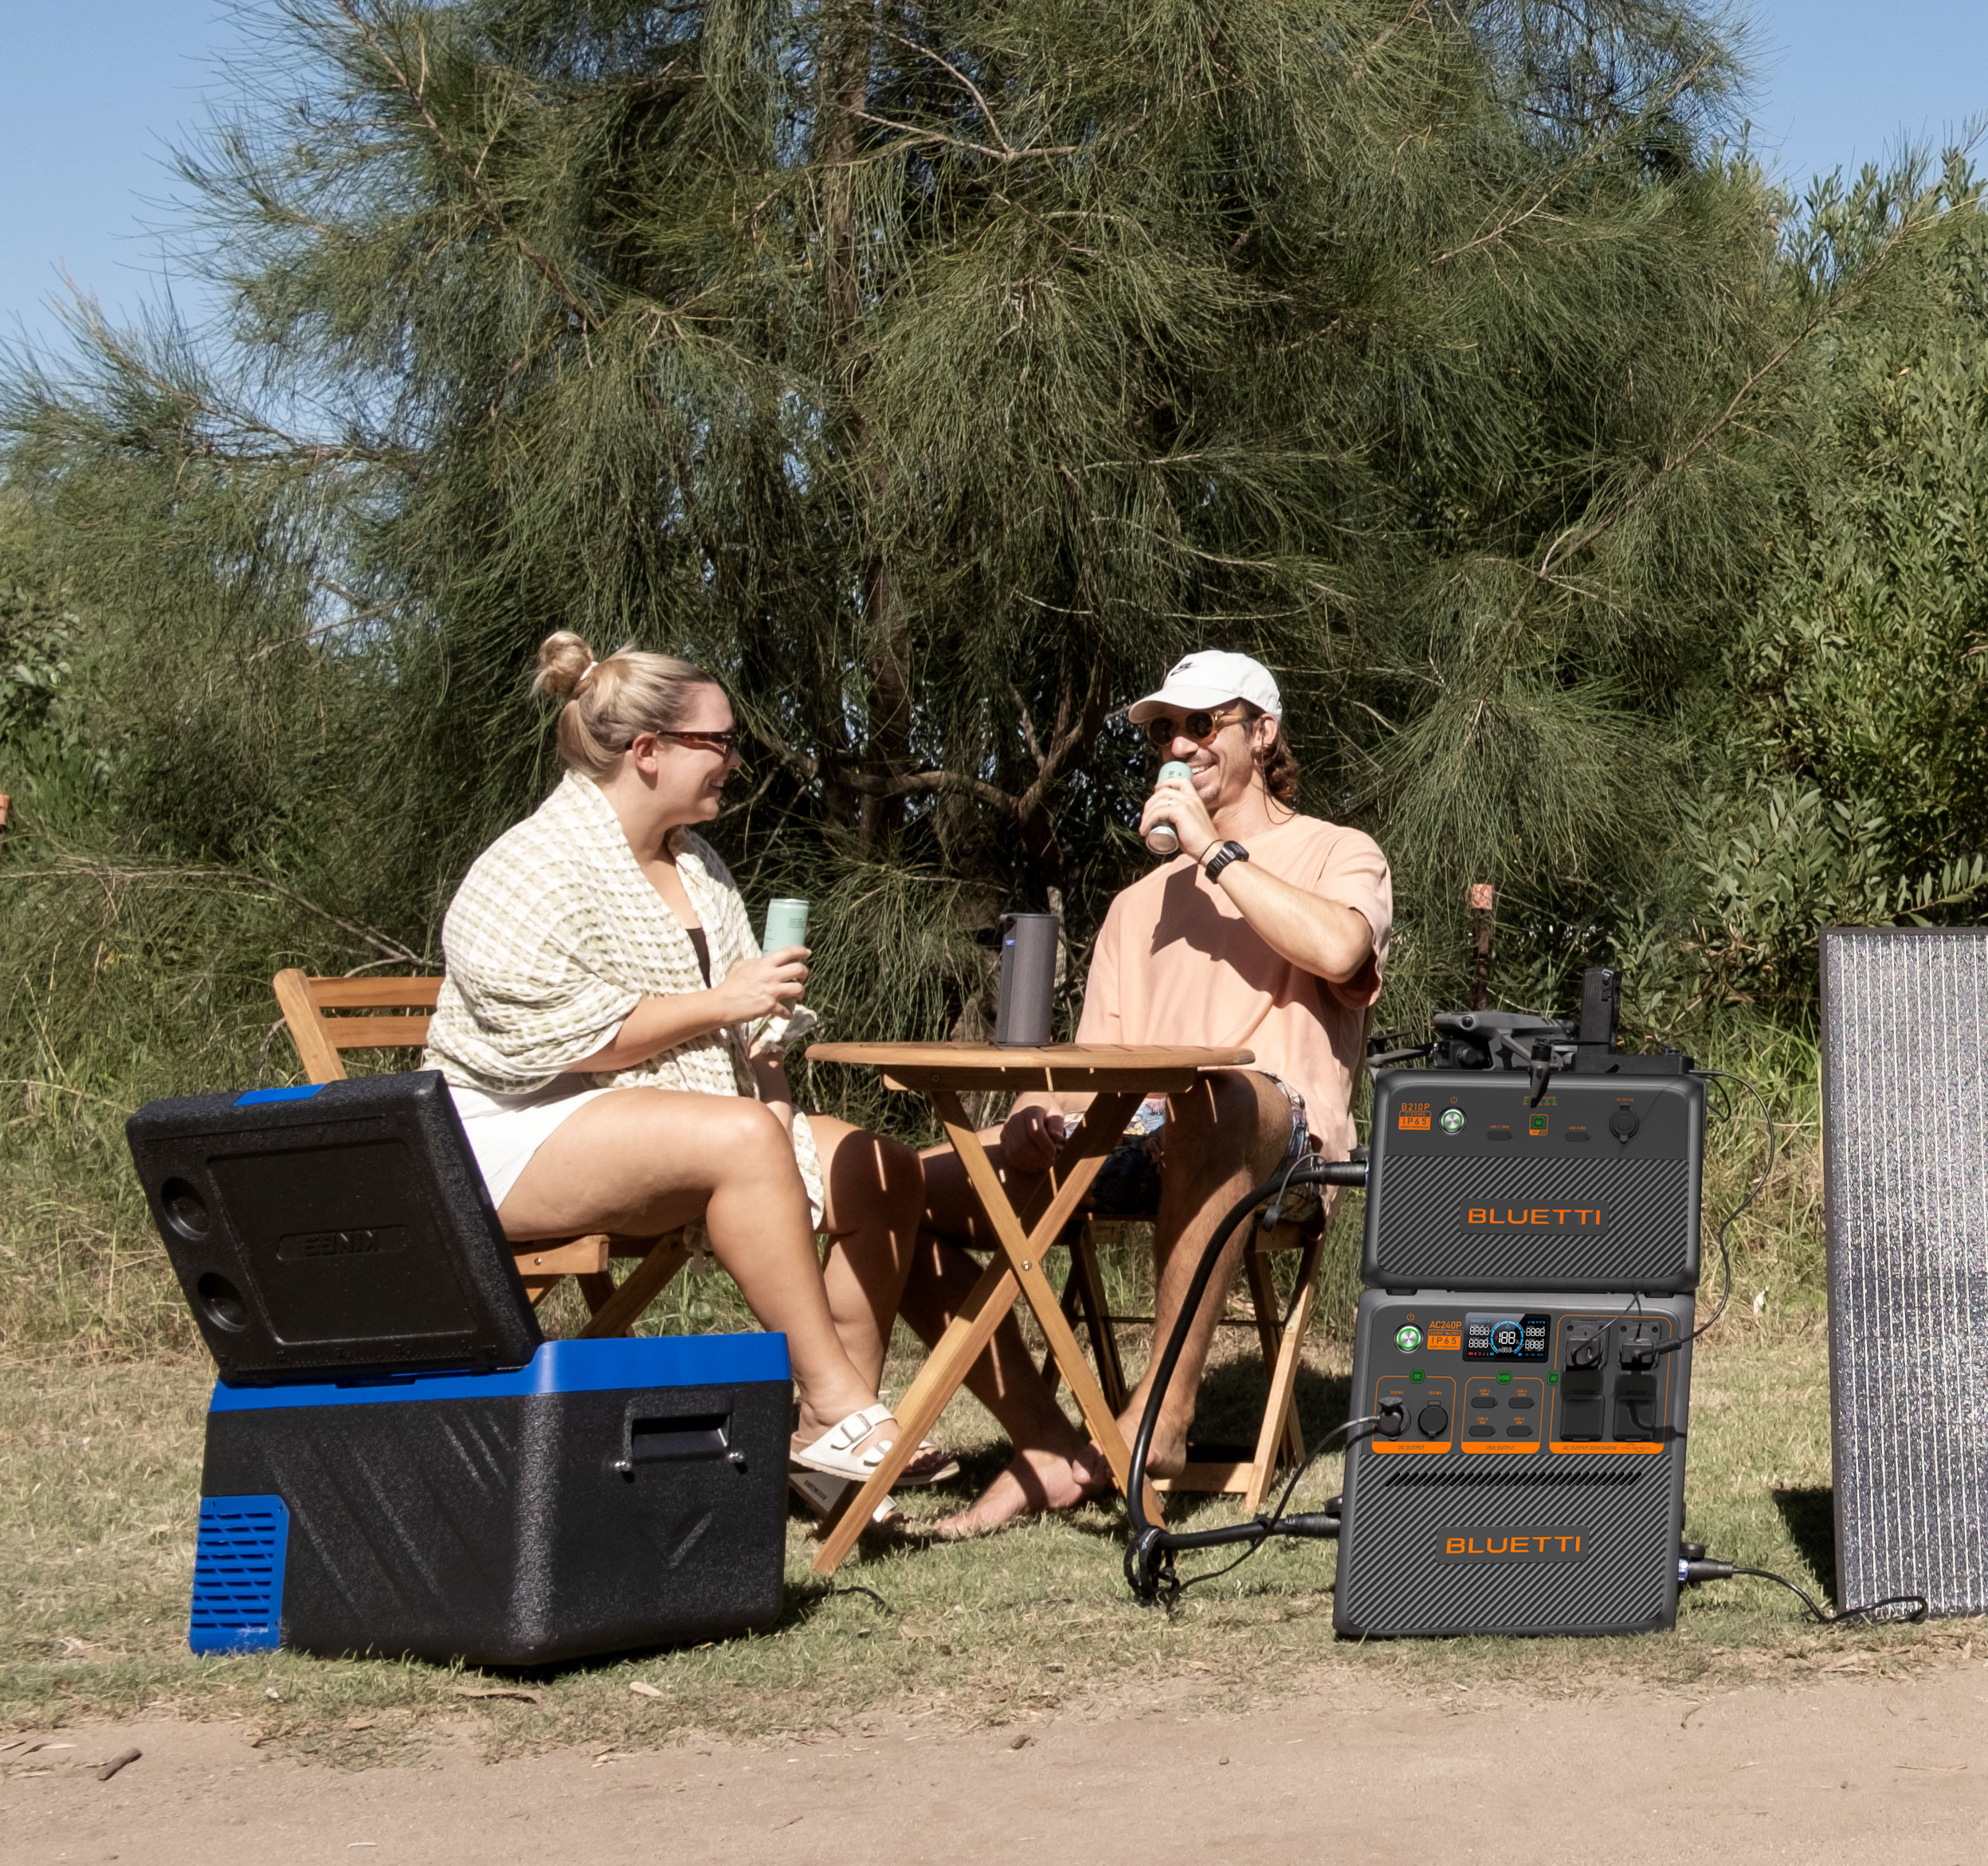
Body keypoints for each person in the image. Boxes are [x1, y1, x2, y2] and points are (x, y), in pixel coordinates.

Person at [429, 635, 954, 1520]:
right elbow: (567, 1043)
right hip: (514, 1127)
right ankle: (840, 1405)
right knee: (741, 1138)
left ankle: (825, 1459)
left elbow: (753, 1030)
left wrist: (780, 1107)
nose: (734, 759)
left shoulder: (695, 863)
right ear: (648, 752)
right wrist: (724, 1008)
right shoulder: (529, 867)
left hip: (677, 1115)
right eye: (718, 740)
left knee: (880, 1167)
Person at [924, 648, 1390, 1538]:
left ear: (1263, 731)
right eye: (1163, 730)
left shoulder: (1339, 850)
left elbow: (1338, 953)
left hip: (1273, 1143)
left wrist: (1214, 852)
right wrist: (1040, 1116)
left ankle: (1158, 1423)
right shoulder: (1138, 903)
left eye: (1200, 722)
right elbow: (1095, 1069)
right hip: (1133, 1136)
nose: (1177, 743)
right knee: (893, 1181)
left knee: (1216, 1093)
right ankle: (1053, 1443)